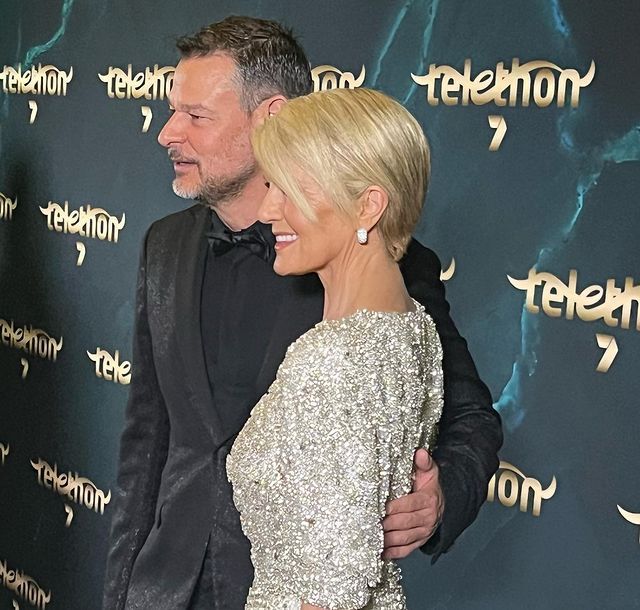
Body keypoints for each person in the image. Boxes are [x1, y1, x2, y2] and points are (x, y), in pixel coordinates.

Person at [103, 16, 502, 610]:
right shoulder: (163, 245)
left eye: (196, 116)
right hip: (165, 584)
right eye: (171, 111)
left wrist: (441, 497)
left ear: (270, 116)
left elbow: (470, 415)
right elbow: (147, 438)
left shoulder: (386, 265)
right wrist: (121, 591)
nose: (167, 133)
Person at [227, 86, 443, 609]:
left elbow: (328, 592)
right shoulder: (414, 328)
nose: (267, 209)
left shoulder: (330, 363)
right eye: (270, 185)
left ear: (368, 205)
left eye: (289, 189)